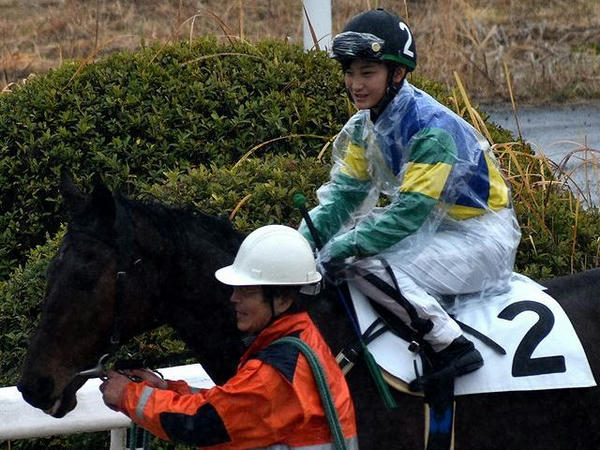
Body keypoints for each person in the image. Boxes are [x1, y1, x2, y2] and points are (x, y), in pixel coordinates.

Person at [299, 8, 521, 388]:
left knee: (361, 262)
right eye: (349, 72)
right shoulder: (363, 127)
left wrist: (340, 248)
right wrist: (300, 245)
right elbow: (343, 197)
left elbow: (409, 214)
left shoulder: (432, 130)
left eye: (367, 73)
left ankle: (451, 346)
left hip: (484, 240)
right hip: (441, 232)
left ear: (398, 73)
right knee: (343, 244)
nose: (355, 84)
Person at [100, 225, 358, 449]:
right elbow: (234, 404)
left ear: (282, 299)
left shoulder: (278, 370)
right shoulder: (301, 341)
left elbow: (203, 423)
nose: (234, 298)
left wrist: (128, 395)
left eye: (246, 291)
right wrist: (167, 389)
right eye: (236, 289)